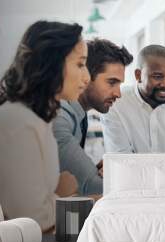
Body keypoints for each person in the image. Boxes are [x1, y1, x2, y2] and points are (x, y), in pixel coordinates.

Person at [0, 21, 90, 231]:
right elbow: (34, 221)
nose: (87, 77)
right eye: (80, 64)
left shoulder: (38, 119)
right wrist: (64, 194)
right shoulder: (17, 122)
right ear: (52, 63)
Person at [53, 38, 133, 196]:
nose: (118, 94)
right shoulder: (60, 117)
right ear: (85, 76)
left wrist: (93, 171)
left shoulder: (78, 115)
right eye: (112, 82)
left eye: (120, 85)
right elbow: (90, 186)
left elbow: (72, 177)